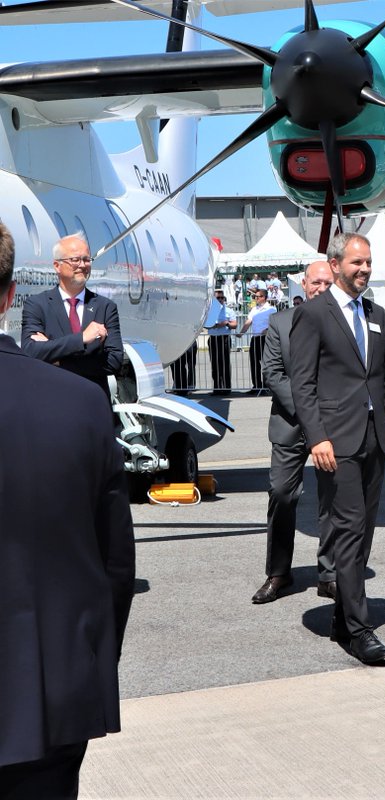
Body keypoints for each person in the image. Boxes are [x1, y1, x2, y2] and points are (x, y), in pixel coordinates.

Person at [0, 220, 135, 798]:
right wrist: (87, 661)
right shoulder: (82, 410)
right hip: (51, 698)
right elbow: (116, 570)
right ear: (9, 295)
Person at [290, 233, 385, 665]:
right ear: (335, 264)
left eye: (369, 262)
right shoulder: (314, 315)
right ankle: (359, 630)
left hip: (374, 438)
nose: (365, 269)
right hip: (335, 442)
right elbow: (302, 383)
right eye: (357, 262)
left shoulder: (375, 313)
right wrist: (316, 436)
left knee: (364, 531)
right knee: (350, 530)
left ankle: (343, 617)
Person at [252, 260, 338, 605]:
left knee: (331, 500)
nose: (320, 288)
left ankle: (330, 574)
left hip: (333, 427)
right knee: (282, 494)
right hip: (291, 424)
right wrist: (309, 415)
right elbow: (272, 373)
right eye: (315, 282)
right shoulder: (280, 322)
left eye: (327, 282)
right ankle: (278, 572)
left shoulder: (343, 323)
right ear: (304, 284)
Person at [20, 234, 123, 401]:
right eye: (75, 259)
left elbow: (114, 361)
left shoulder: (105, 307)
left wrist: (57, 361)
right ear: (57, 266)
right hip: (50, 403)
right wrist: (81, 339)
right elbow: (30, 351)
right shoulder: (37, 305)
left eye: (86, 259)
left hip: (93, 404)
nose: (82, 265)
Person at [242, 287, 276, 392]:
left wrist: (267, 329)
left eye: (257, 296)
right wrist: (241, 333)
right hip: (255, 338)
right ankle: (256, 385)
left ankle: (267, 386)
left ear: (264, 297)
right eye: (255, 296)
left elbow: (275, 323)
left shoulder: (271, 309)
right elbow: (248, 321)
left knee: (267, 363)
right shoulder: (254, 309)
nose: (255, 298)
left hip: (266, 338)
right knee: (254, 362)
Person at [203, 288, 237, 394]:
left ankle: (227, 388)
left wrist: (227, 324)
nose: (221, 299)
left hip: (224, 338)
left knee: (225, 363)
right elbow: (207, 326)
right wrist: (218, 325)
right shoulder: (210, 311)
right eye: (218, 298)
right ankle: (217, 387)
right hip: (213, 338)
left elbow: (234, 324)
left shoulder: (229, 311)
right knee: (215, 363)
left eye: (223, 298)